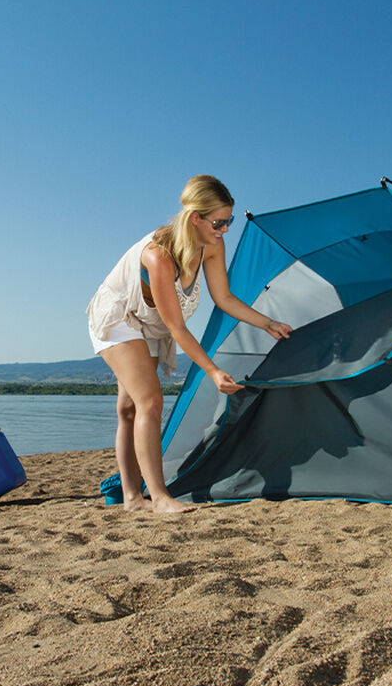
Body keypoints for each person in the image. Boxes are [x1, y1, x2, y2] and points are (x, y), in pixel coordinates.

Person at [87, 175, 292, 513]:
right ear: (196, 218)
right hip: (120, 317)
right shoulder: (159, 256)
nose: (225, 230)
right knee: (150, 402)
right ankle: (158, 497)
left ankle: (132, 499)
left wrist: (267, 323)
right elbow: (178, 328)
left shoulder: (212, 245)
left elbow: (224, 298)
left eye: (229, 221)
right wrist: (213, 371)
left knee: (130, 409)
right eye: (219, 222)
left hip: (150, 323)